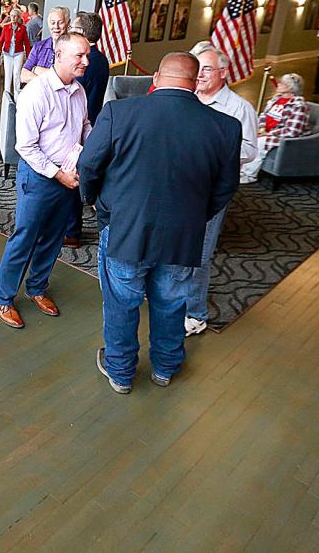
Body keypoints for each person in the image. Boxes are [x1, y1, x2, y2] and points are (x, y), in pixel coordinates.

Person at [79, 52, 240, 393]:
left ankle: (121, 373)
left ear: (155, 77)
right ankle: (165, 367)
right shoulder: (226, 127)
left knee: (121, 303)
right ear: (195, 82)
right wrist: (197, 216)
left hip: (125, 230)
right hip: (183, 236)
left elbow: (89, 165)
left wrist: (98, 205)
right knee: (171, 302)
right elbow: (226, 187)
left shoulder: (119, 113)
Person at [0, 32, 92, 330]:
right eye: (79, 56)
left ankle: (36, 288)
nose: (86, 61)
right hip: (39, 177)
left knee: (53, 237)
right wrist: (59, 174)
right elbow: (25, 146)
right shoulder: (36, 92)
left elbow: (83, 127)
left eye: (87, 55)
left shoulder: (79, 90)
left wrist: (92, 152)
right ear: (58, 56)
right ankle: (3, 297)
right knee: (25, 238)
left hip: (69, 175)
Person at [183, 43, 259, 336]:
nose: (200, 75)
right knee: (177, 246)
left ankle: (196, 313)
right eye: (197, 68)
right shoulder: (189, 99)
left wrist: (215, 152)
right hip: (181, 187)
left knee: (200, 253)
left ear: (223, 72)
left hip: (211, 191)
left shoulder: (239, 108)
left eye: (207, 69)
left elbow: (251, 150)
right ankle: (172, 299)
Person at [63, 11, 110, 247]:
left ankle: (72, 232)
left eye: (73, 26)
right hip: (89, 122)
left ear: (81, 32)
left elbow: (72, 92)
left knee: (71, 177)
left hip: (80, 127)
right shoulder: (100, 59)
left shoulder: (86, 63)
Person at [242, 73, 310, 183]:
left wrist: (269, 133)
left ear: (291, 88)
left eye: (282, 84)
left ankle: (249, 175)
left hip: (283, 137)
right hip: (266, 132)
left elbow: (292, 131)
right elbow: (264, 116)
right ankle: (236, 169)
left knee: (258, 142)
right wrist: (261, 128)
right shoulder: (275, 99)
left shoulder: (298, 105)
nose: (278, 85)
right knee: (243, 134)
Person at [20, 6, 70, 85]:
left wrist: (36, 69)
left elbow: (67, 78)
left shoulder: (73, 48)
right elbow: (23, 75)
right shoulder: (39, 46)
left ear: (68, 23)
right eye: (52, 22)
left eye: (60, 22)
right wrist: (46, 81)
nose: (56, 27)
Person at [0, 7, 31, 102]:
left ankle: (16, 94)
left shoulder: (23, 28)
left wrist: (29, 56)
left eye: (15, 16)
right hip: (7, 53)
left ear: (19, 17)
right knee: (8, 74)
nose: (13, 18)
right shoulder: (6, 27)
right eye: (11, 16)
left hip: (18, 53)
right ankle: (6, 94)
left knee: (16, 73)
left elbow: (26, 43)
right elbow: (1, 40)